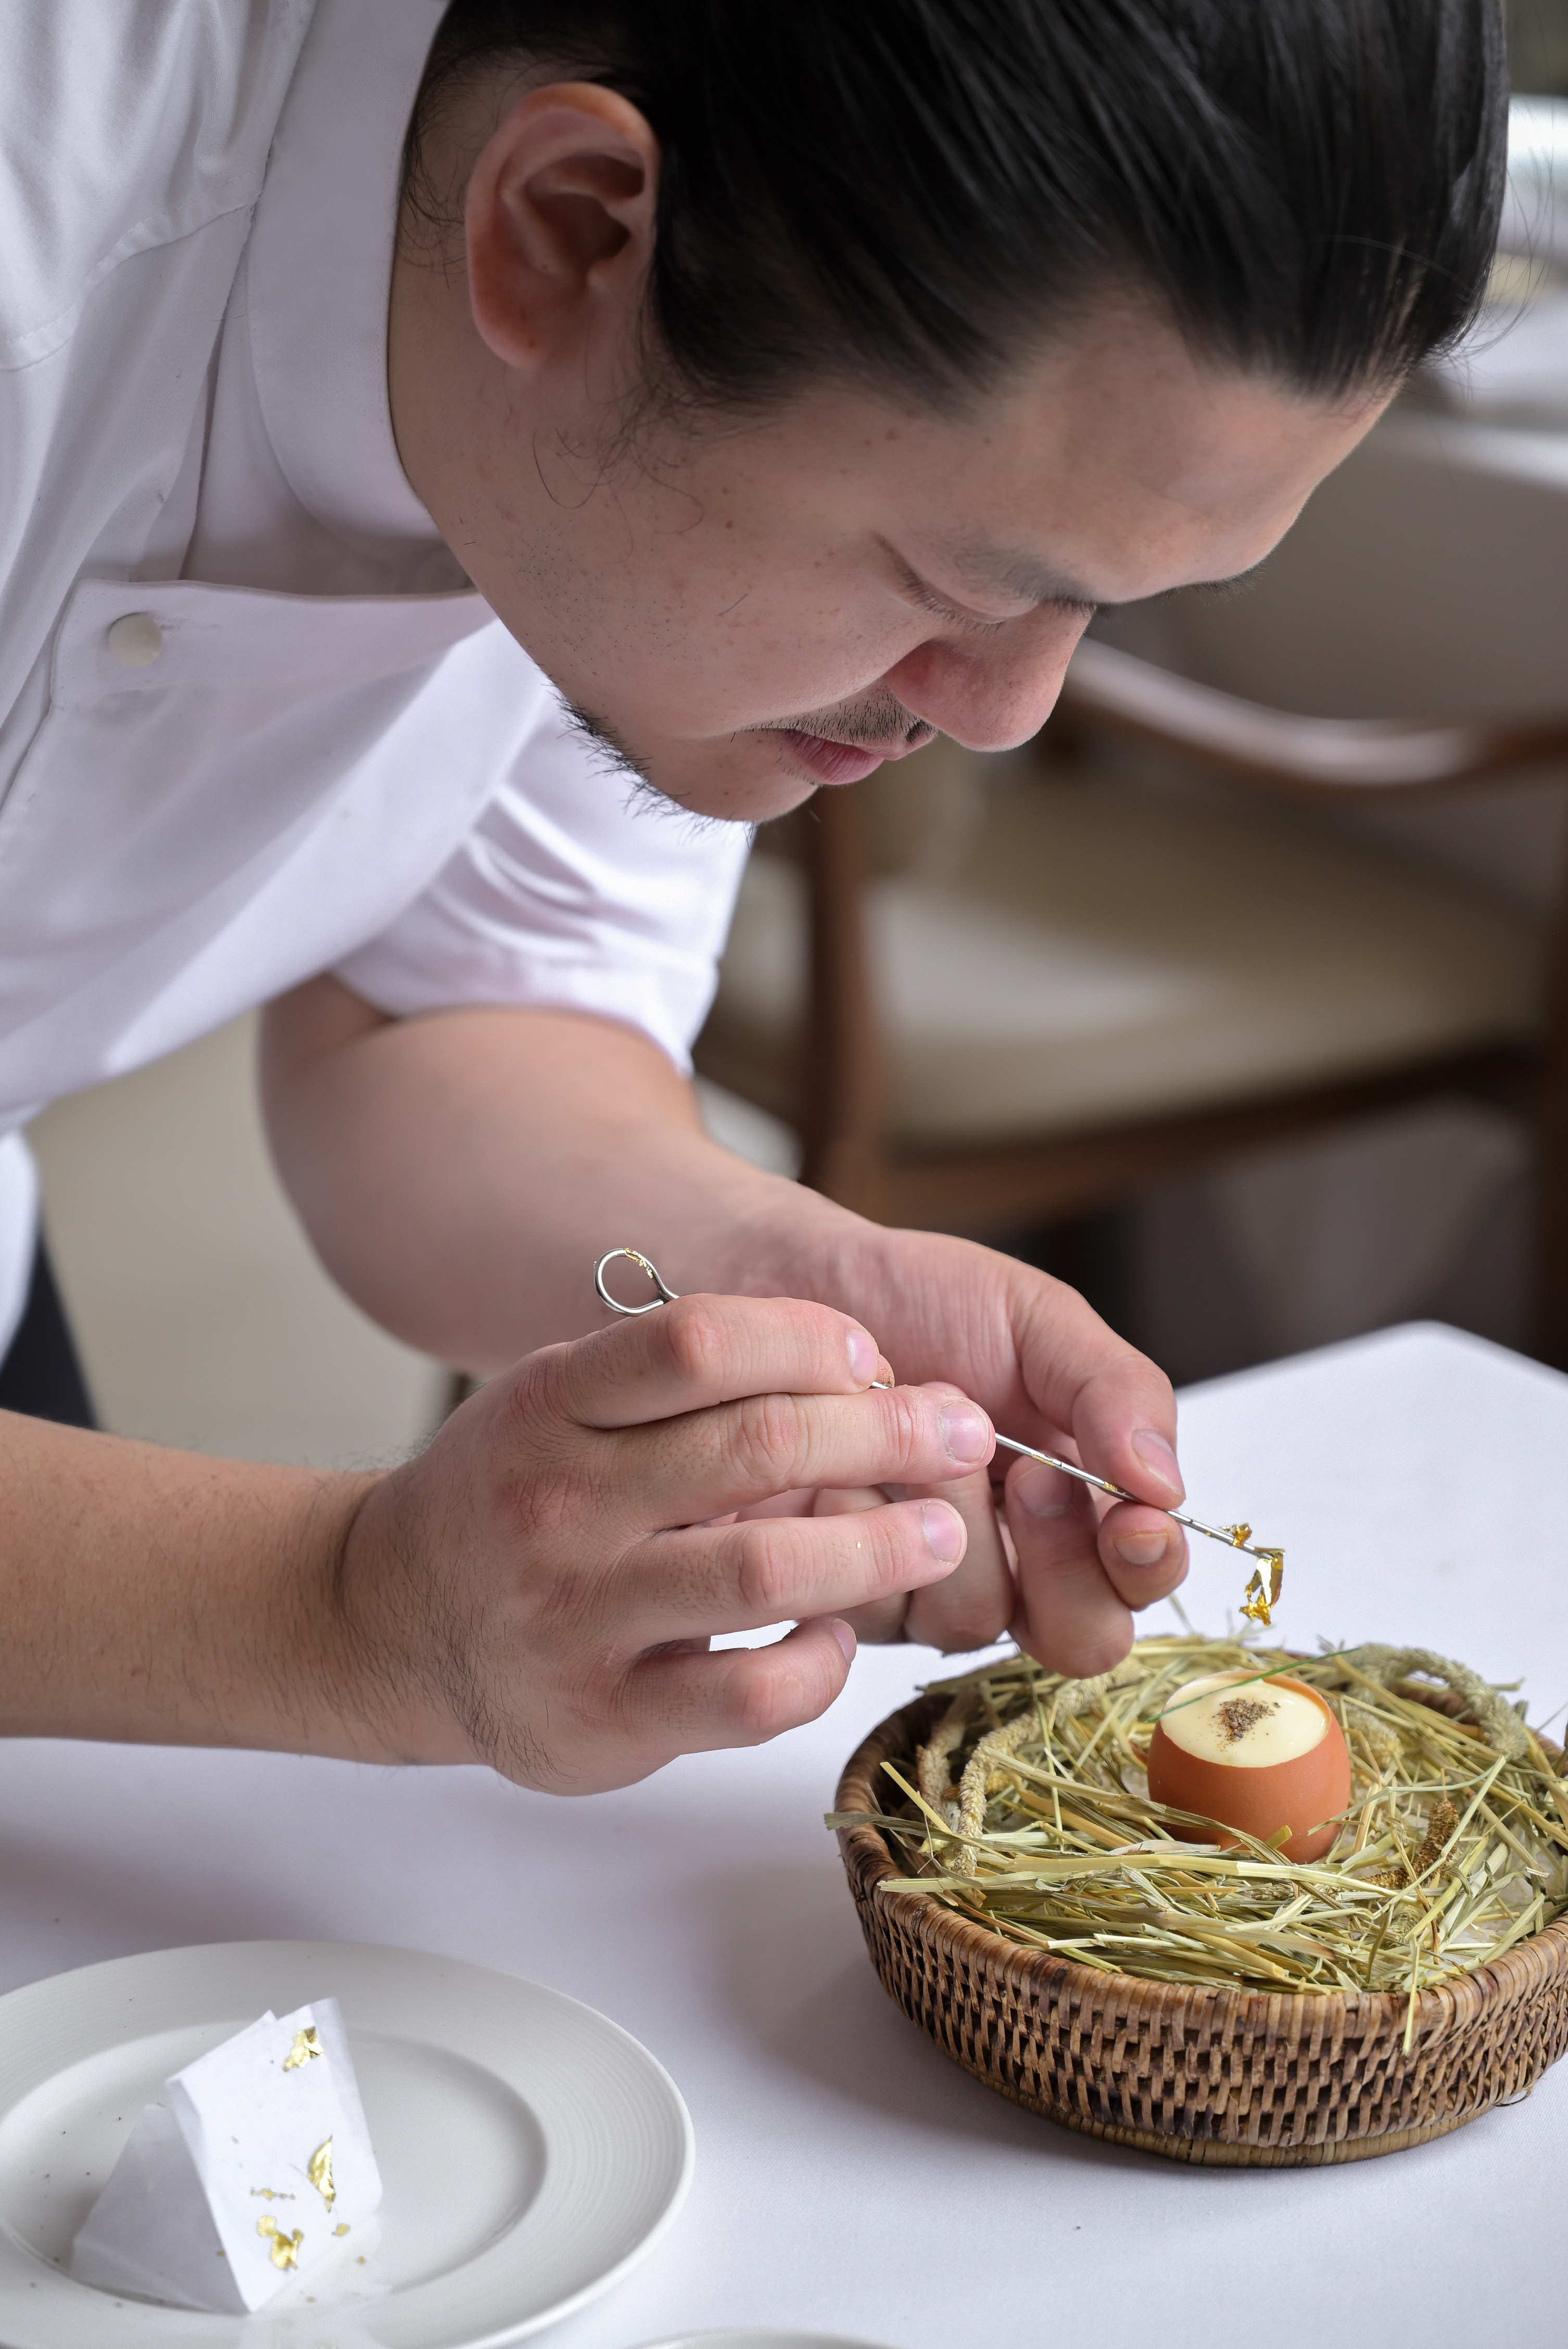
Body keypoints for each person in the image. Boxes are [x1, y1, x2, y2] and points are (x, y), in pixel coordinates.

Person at [0, 0, 1503, 1791]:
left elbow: (463, 1013)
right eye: (960, 576)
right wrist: (342, 1611)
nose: (1006, 711)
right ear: (564, 230)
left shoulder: (655, 372)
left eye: (1101, 603)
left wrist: (791, 1289)